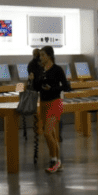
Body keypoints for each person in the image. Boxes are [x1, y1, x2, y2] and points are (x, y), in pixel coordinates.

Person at [31, 45, 69, 173]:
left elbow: (66, 86)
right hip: (43, 103)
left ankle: (53, 160)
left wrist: (52, 89)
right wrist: (33, 81)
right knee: (51, 134)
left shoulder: (57, 69)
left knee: (47, 132)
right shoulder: (41, 70)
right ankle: (58, 162)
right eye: (40, 55)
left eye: (43, 55)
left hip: (55, 103)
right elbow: (36, 88)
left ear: (50, 56)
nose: (41, 57)